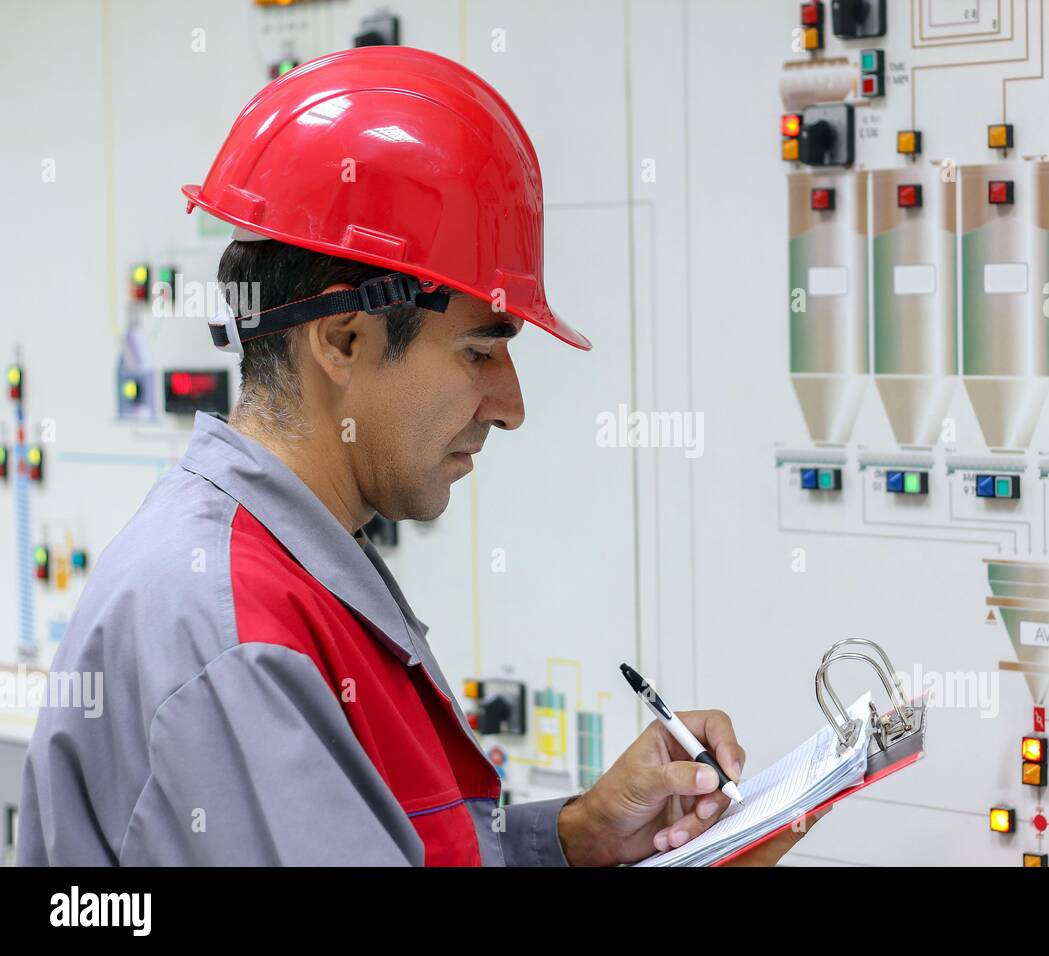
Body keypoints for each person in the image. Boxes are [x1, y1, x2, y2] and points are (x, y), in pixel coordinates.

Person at [18, 46, 823, 865]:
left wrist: (576, 839)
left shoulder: (295, 573)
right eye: (480, 351)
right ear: (344, 338)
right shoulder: (231, 634)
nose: (510, 409)